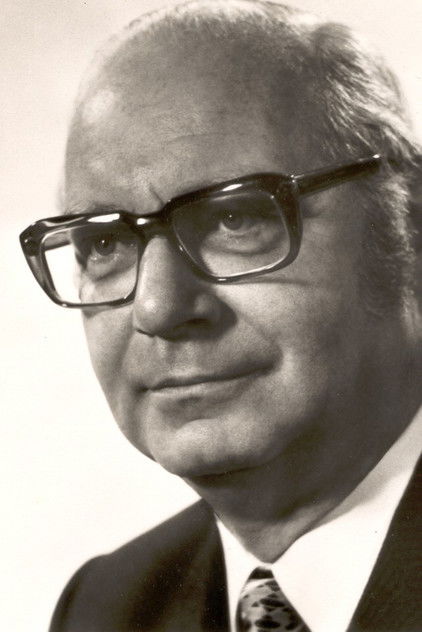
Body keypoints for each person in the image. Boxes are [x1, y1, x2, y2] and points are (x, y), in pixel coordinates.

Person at [20, 1, 421, 630]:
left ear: (407, 225)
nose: (158, 307)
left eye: (236, 218)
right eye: (105, 243)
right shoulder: (105, 609)